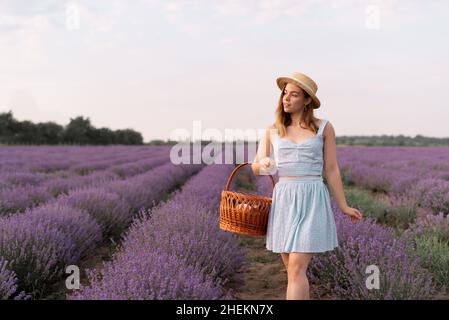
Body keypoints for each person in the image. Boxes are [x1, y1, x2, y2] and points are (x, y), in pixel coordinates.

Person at [251, 71, 363, 300]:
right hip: (284, 199)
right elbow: (255, 166)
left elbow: (331, 169)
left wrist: (343, 206)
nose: (286, 99)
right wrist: (264, 163)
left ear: (307, 100)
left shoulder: (324, 128)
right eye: (285, 94)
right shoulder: (272, 130)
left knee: (296, 268)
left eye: (294, 95)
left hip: (312, 197)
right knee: (293, 271)